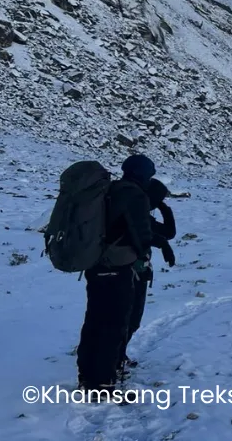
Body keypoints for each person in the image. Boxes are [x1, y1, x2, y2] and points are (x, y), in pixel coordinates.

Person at [76, 154, 154, 393]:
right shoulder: (135, 195)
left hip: (94, 264)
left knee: (94, 321)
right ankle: (103, 382)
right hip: (117, 267)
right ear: (143, 174)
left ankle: (86, 376)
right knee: (114, 324)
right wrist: (147, 254)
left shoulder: (110, 189)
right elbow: (140, 235)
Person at [118, 178, 177, 376]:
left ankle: (119, 355)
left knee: (130, 319)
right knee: (128, 319)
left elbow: (168, 233)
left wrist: (163, 207)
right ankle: (116, 358)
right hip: (130, 271)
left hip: (137, 271)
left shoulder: (139, 213)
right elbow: (158, 235)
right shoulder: (135, 215)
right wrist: (162, 208)